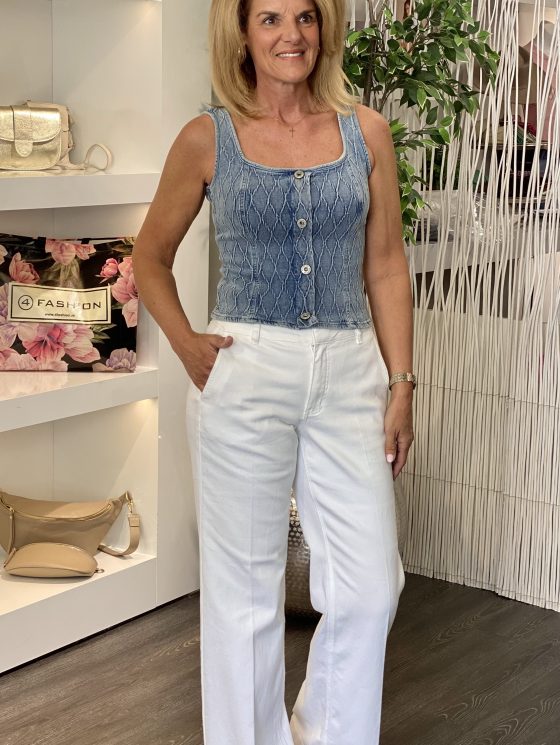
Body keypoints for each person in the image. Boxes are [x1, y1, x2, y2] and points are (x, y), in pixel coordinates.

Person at [132, 0, 415, 743]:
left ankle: (325, 732)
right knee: (244, 596)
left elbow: (387, 265)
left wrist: (402, 382)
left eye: (306, 17)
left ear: (325, 29)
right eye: (270, 19)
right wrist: (188, 343)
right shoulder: (207, 137)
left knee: (370, 587)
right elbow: (148, 256)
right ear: (242, 32)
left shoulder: (367, 133)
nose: (292, 35)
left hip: (349, 369)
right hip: (243, 370)